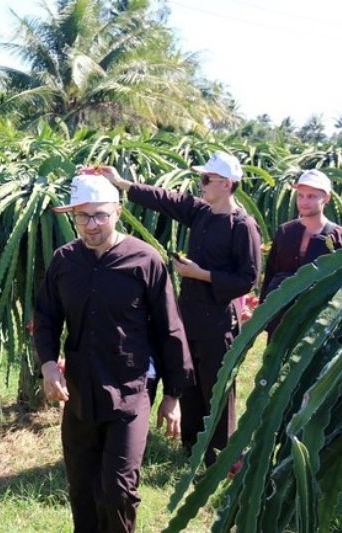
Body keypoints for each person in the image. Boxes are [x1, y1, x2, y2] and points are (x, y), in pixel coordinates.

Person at [34, 174, 194, 533]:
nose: (91, 225)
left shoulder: (144, 260)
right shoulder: (65, 261)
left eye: (100, 216)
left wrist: (173, 394)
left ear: (118, 212)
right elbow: (45, 317)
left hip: (130, 391)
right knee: (82, 487)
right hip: (79, 391)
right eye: (82, 216)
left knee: (118, 488)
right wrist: (48, 365)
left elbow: (170, 328)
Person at [98, 152, 262, 466]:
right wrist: (122, 184)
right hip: (189, 314)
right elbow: (165, 199)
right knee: (190, 380)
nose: (200, 185)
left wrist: (201, 274)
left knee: (216, 385)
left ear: (227, 184)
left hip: (218, 319)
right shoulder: (202, 213)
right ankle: (191, 448)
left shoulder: (243, 226)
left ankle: (222, 454)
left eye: (206, 180)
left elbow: (248, 279)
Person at [259, 169, 342, 337]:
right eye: (300, 195)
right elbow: (271, 273)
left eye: (311, 196)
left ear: (326, 198)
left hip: (318, 323)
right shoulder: (285, 232)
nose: (304, 201)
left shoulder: (340, 237)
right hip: (280, 318)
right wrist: (263, 312)